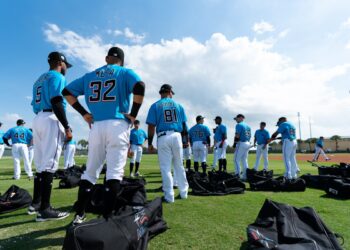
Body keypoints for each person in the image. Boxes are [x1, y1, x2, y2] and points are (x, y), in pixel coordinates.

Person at [63, 47, 145, 224]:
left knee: (90, 172)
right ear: (121, 60)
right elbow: (140, 86)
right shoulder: (124, 72)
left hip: (97, 125)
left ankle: (79, 215)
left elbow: (67, 92)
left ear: (106, 58)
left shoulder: (89, 75)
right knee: (114, 174)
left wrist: (84, 113)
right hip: (118, 123)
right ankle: (107, 219)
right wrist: (134, 113)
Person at [29, 51, 72, 221]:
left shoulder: (38, 79)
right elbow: (56, 101)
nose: (66, 69)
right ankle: (45, 210)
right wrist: (67, 126)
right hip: (50, 118)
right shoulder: (57, 76)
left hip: (38, 117)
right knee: (49, 164)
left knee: (40, 165)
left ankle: (36, 204)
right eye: (65, 65)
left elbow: (34, 103)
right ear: (60, 63)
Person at [146, 84, 189, 203]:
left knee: (165, 168)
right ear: (170, 92)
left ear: (161, 93)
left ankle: (169, 196)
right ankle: (184, 193)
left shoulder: (155, 105)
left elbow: (151, 126)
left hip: (163, 136)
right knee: (179, 165)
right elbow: (184, 126)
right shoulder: (179, 105)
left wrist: (150, 143)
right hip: (177, 136)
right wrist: (186, 141)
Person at [233, 114, 251, 180]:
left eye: (237, 118)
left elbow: (237, 135)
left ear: (241, 118)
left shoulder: (239, 125)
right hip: (247, 143)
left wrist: (235, 144)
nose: (236, 120)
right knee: (244, 160)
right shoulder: (248, 126)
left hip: (241, 143)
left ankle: (237, 175)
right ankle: (245, 176)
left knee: (235, 160)